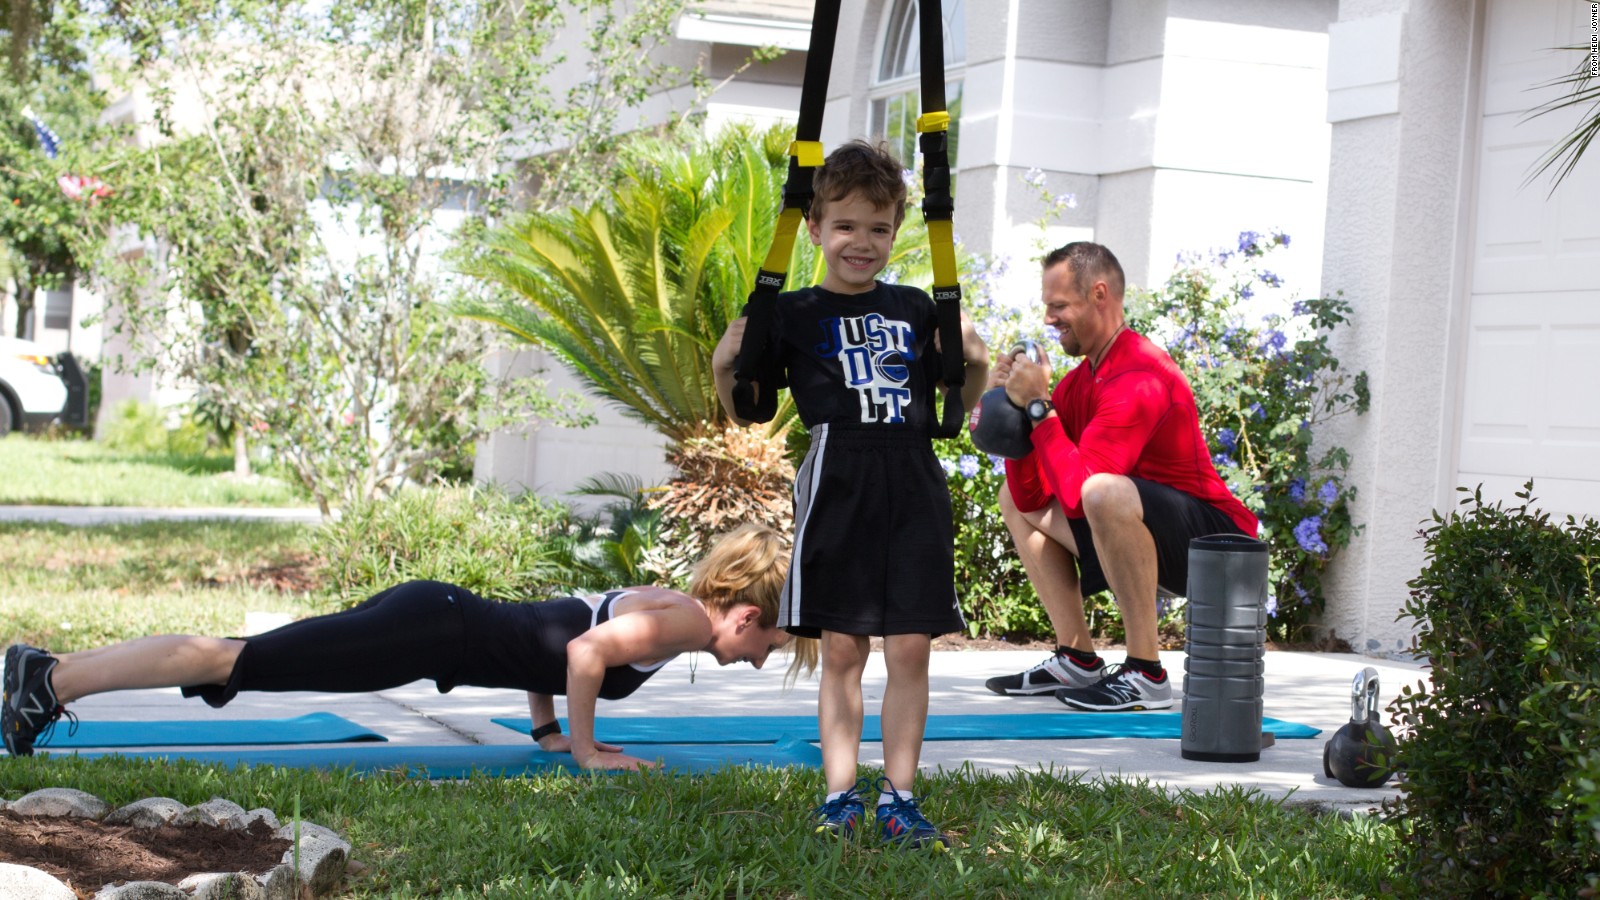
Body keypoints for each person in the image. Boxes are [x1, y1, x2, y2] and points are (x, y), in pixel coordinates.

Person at [3, 524, 816, 768]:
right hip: (434, 629)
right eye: (777, 640)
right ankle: (52, 677)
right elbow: (582, 656)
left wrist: (547, 730)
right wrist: (591, 750)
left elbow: (552, 632)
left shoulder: (668, 613)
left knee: (240, 660)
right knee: (231, 659)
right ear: (746, 614)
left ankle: (52, 677)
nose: (768, 654)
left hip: (439, 620)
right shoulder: (678, 621)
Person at [712, 141, 989, 849]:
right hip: (838, 475)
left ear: (896, 231)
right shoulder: (793, 313)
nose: (861, 243)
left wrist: (975, 364)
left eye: (878, 228)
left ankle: (900, 795)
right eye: (845, 226)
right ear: (814, 228)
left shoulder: (919, 307)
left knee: (910, 649)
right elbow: (744, 406)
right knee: (843, 648)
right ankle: (841, 796)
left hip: (913, 478)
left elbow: (956, 410)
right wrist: (724, 364)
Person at [984, 241, 1258, 712]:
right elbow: (1031, 497)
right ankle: (1076, 657)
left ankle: (1146, 672)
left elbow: (1079, 493)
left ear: (1099, 295)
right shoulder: (1080, 381)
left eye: (1059, 306)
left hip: (1220, 550)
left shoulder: (1141, 376)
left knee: (1103, 491)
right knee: (1012, 494)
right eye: (1047, 308)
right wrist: (1012, 411)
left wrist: (1037, 406)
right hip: (1147, 531)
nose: (1049, 320)